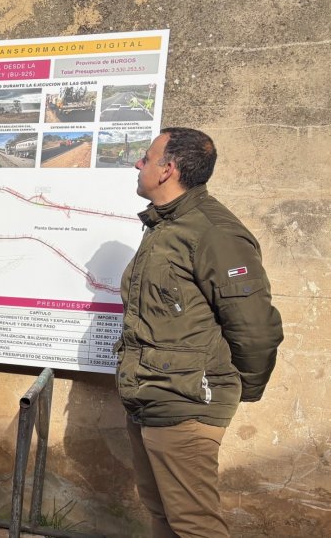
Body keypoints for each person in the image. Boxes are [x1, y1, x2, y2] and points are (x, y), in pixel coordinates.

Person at [119, 127, 283, 537]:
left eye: (146, 157)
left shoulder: (213, 232)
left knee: (195, 526)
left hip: (187, 403)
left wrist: (231, 387)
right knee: (162, 517)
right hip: (151, 397)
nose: (138, 164)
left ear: (167, 170)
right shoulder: (164, 227)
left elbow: (255, 327)